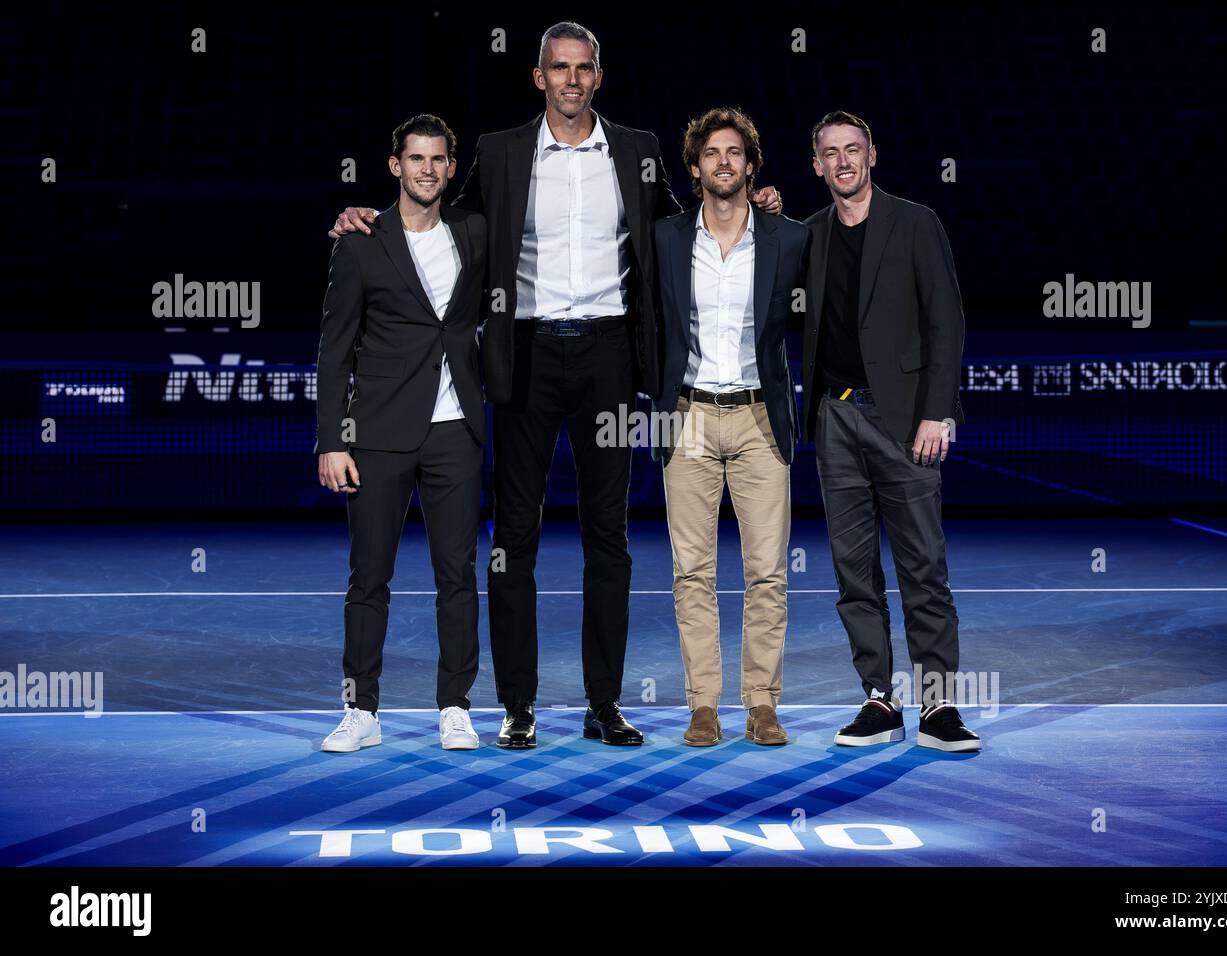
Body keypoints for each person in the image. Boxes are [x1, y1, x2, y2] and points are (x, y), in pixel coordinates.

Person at [328, 22, 783, 748]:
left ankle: (605, 705)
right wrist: (371, 221)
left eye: (583, 68)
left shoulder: (636, 151)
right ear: (538, 78)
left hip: (609, 357)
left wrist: (745, 209)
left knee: (610, 539)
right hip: (526, 357)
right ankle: (517, 707)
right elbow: (445, 217)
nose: (571, 80)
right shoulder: (500, 153)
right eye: (557, 68)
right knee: (515, 539)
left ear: (598, 77)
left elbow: (677, 226)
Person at [800, 111, 980, 752]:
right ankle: (879, 699)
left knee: (922, 568)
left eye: (853, 149)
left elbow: (946, 323)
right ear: (816, 164)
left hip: (906, 422)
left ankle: (938, 707)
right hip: (836, 419)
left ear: (872, 154)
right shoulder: (811, 234)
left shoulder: (915, 221)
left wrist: (939, 411)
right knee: (854, 572)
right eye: (830, 153)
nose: (843, 161)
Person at [316, 114, 488, 752]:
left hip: (455, 432)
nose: (427, 169)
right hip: (380, 435)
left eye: (439, 159)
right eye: (415, 158)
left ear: (450, 167)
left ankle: (455, 705)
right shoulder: (361, 241)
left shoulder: (474, 231)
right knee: (369, 578)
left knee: (458, 576)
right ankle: (361, 710)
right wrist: (331, 440)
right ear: (395, 166)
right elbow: (334, 352)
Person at [651, 108, 809, 747]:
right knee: (693, 572)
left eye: (735, 152)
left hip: (759, 418)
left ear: (750, 165)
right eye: (711, 153)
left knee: (766, 570)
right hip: (687, 416)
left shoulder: (787, 239)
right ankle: (703, 707)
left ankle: (763, 705)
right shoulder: (665, 238)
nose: (723, 161)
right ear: (695, 169)